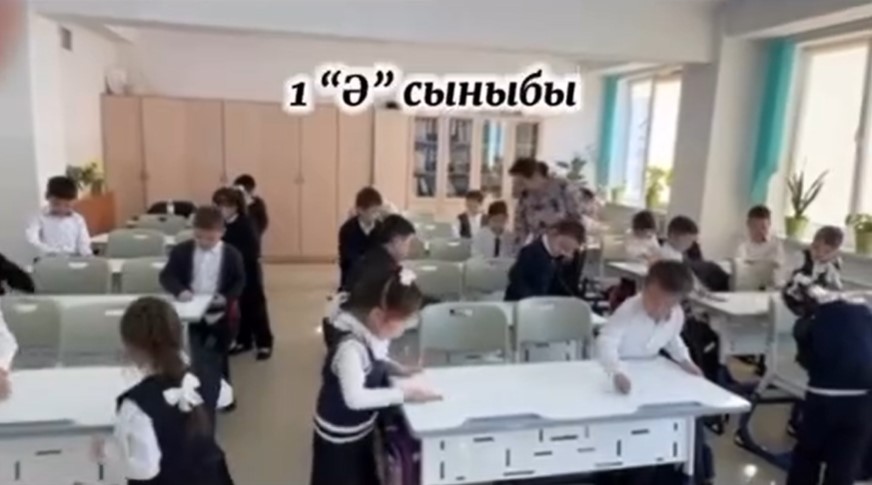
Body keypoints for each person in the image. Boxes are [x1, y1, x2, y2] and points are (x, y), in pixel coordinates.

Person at [310, 267, 441, 485]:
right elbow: (355, 398)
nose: (405, 328)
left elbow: (377, 360)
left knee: (364, 474)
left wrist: (397, 369)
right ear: (378, 316)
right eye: (403, 321)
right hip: (339, 438)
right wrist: (404, 394)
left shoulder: (371, 335)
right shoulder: (350, 349)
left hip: (359, 431)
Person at [94, 297, 234, 484]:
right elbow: (226, 398)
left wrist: (109, 453)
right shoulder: (207, 375)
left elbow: (145, 470)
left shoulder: (137, 405)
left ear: (131, 348)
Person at [597, 260, 712, 484]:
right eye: (652, 300)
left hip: (651, 373)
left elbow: (673, 339)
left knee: (687, 420)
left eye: (666, 304)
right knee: (636, 426)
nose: (658, 309)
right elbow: (607, 340)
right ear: (644, 288)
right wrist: (616, 371)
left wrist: (685, 361)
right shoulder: (629, 309)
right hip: (623, 371)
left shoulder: (676, 315)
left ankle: (692, 473)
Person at [159, 207, 245, 398]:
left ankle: (224, 396)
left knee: (218, 357)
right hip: (190, 310)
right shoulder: (182, 251)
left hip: (221, 312)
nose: (204, 242)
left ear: (222, 233)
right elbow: (167, 276)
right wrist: (180, 290)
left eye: (210, 238)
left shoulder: (232, 254)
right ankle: (194, 393)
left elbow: (239, 281)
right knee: (194, 353)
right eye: (199, 237)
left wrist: (226, 297)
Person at [786, 298, 872, 485]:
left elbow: (806, 361)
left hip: (821, 397)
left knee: (807, 455)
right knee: (845, 463)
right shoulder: (865, 315)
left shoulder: (808, 324)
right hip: (860, 402)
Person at [326, 214, 418, 347]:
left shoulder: (373, 256)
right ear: (397, 240)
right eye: (408, 243)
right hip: (361, 327)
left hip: (349, 319)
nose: (408, 249)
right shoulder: (385, 269)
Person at [213, 188, 274, 361]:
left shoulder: (246, 224)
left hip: (248, 271)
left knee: (254, 307)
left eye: (224, 206)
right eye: (217, 205)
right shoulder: (221, 224)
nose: (220, 209)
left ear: (234, 207)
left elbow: (251, 250)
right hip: (230, 273)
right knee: (238, 307)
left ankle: (264, 343)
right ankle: (243, 340)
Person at [783, 225, 844, 368]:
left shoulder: (832, 265)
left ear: (835, 252)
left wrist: (836, 291)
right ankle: (806, 356)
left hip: (817, 303)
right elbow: (784, 277)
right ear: (812, 243)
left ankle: (828, 356)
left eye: (827, 252)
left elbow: (836, 285)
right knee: (806, 325)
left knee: (839, 318)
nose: (820, 254)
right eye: (816, 248)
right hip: (795, 300)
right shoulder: (801, 257)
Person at [509, 157, 585, 247]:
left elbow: (578, 222)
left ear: (535, 175)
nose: (522, 187)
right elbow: (520, 230)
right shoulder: (525, 197)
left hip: (564, 247)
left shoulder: (565, 190)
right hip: (538, 248)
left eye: (522, 183)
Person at [504, 219, 586, 301]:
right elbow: (516, 277)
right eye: (562, 246)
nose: (562, 252)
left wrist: (573, 299)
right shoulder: (531, 251)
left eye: (567, 250)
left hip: (542, 302)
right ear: (552, 233)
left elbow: (557, 283)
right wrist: (534, 301)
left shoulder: (555, 258)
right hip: (519, 302)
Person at [26, 175, 92, 257]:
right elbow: (32, 241)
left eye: (67, 205)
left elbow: (83, 243)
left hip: (73, 260)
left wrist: (88, 256)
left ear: (74, 201)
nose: (61, 209)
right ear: (47, 197)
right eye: (56, 204)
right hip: (48, 260)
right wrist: (55, 253)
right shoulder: (38, 217)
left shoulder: (78, 219)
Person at [338, 187, 384, 290]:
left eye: (378, 212)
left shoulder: (381, 228)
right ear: (360, 210)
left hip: (375, 279)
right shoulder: (347, 230)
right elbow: (347, 260)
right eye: (373, 212)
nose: (377, 216)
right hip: (353, 279)